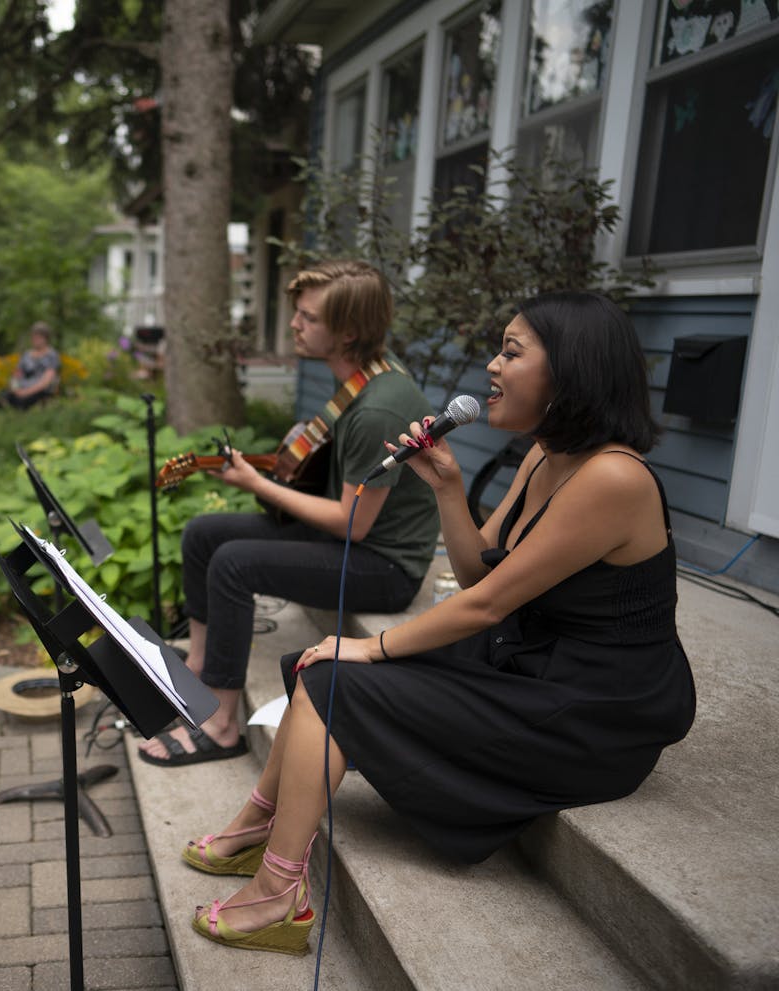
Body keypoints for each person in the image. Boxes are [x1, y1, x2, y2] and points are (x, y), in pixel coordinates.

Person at [182, 291, 695, 957]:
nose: (491, 366)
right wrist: (448, 487)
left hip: (593, 710)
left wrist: (375, 645)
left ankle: (280, 890)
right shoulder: (545, 455)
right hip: (532, 660)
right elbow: (482, 573)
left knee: (338, 680)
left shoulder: (614, 478)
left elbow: (484, 606)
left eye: (511, 352)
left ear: (571, 370)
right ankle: (261, 824)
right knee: (322, 669)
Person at [139, 260, 439, 767]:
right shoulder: (363, 380)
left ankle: (223, 724)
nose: (295, 324)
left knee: (234, 563)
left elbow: (353, 522)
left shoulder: (376, 409)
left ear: (348, 332)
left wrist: (258, 485)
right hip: (353, 541)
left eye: (308, 317)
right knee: (202, 534)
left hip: (384, 565)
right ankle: (195, 669)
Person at [1, 322, 60, 409]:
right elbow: (17, 374)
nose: (34, 340)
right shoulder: (27, 354)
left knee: (22, 401)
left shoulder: (51, 355)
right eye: (33, 337)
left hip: (39, 389)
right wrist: (16, 388)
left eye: (38, 338)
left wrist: (26, 392)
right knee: (4, 396)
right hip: (22, 386)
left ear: (45, 338)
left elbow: (46, 380)